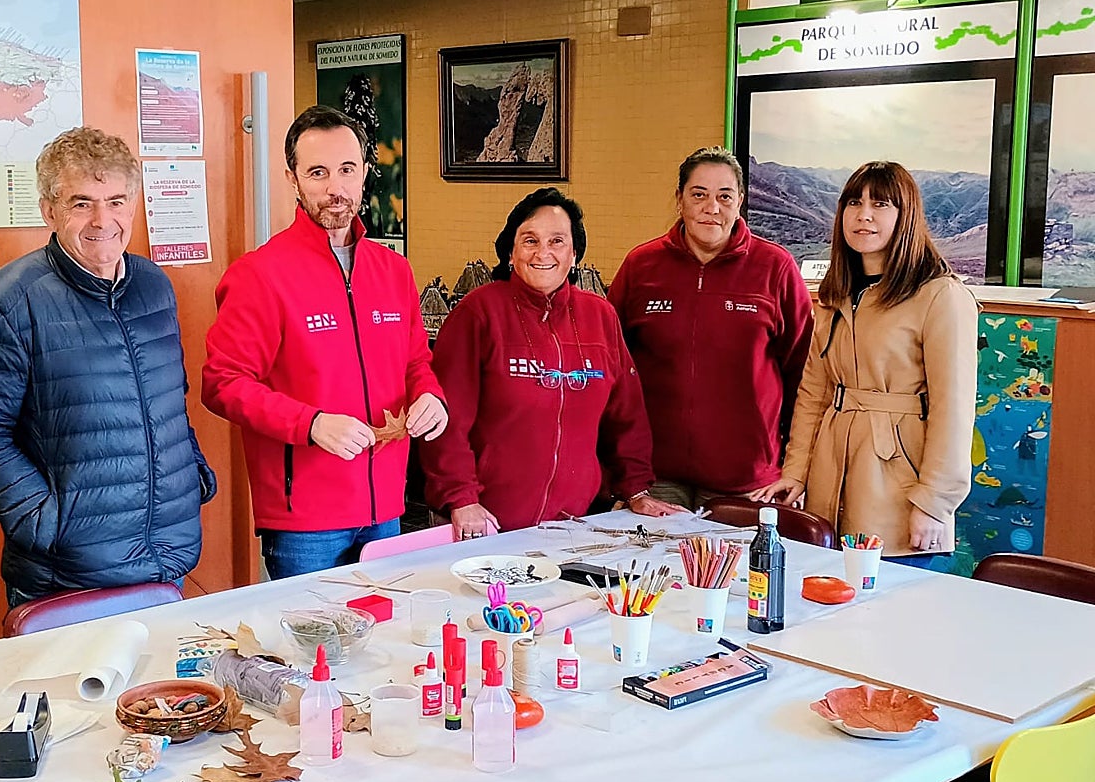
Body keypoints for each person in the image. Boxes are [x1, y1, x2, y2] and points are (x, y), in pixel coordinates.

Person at [0, 127, 216, 608]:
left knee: (160, 685)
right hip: (68, 574)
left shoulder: (153, 286)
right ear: (49, 210)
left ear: (133, 204)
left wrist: (190, 471)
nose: (102, 220)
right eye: (81, 203)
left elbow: (167, 400)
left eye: (116, 201)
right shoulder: (8, 302)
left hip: (167, 554)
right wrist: (44, 518)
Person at [202, 105, 446, 578]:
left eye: (347, 170)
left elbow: (417, 361)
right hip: (304, 521)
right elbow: (223, 383)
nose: (336, 188)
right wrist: (310, 424)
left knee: (383, 644)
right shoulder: (260, 275)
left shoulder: (393, 271)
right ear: (292, 178)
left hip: (386, 510)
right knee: (313, 649)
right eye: (318, 172)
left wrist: (431, 396)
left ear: (364, 174)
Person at [421, 187, 683, 539]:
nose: (543, 252)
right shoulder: (477, 314)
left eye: (557, 241)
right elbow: (446, 421)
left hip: (574, 527)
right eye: (530, 241)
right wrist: (460, 498)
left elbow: (627, 417)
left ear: (574, 255)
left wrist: (635, 490)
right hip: (484, 524)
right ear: (510, 253)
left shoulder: (600, 316)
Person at [753, 161, 978, 562]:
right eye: (854, 202)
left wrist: (934, 501)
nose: (864, 215)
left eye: (881, 204)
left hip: (900, 485)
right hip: (829, 477)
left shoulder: (940, 295)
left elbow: (953, 409)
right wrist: (796, 471)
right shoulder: (837, 294)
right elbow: (814, 393)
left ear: (906, 215)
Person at [608, 147, 813, 510]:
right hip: (656, 477)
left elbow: (804, 375)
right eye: (698, 194)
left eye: (724, 196)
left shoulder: (775, 267)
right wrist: (623, 473)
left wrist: (794, 465)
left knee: (741, 569)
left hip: (747, 480)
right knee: (654, 567)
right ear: (680, 200)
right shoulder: (641, 266)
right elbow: (612, 368)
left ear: (740, 203)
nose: (711, 207)